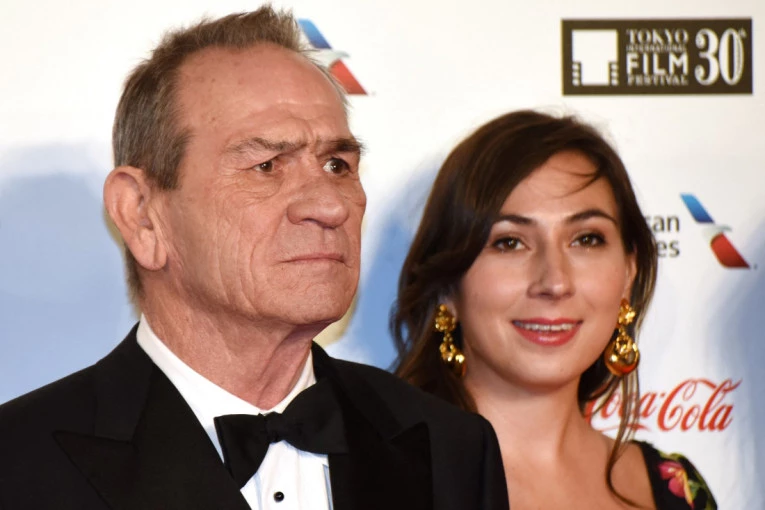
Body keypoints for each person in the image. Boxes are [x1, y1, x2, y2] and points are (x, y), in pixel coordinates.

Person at [0, 8, 509, 510]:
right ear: (142, 215)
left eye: (337, 165)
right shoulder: (17, 466)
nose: (330, 206)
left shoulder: (451, 450)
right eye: (266, 166)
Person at [392, 110, 718, 509]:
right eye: (509, 242)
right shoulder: (376, 479)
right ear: (447, 286)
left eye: (586, 239)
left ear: (628, 273)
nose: (555, 282)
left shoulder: (677, 488)